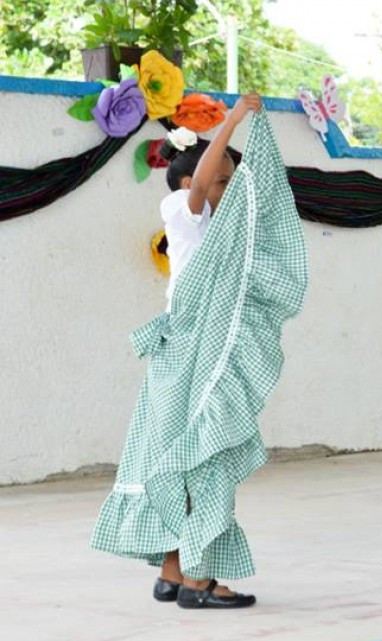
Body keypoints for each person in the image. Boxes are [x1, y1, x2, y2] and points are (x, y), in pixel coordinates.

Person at [91, 98, 310, 608]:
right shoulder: (183, 213)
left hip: (186, 356)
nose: (229, 190)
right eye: (222, 182)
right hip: (192, 356)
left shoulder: (218, 232)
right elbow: (202, 183)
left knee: (177, 457)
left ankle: (172, 570)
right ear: (191, 184)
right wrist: (231, 123)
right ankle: (200, 580)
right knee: (200, 456)